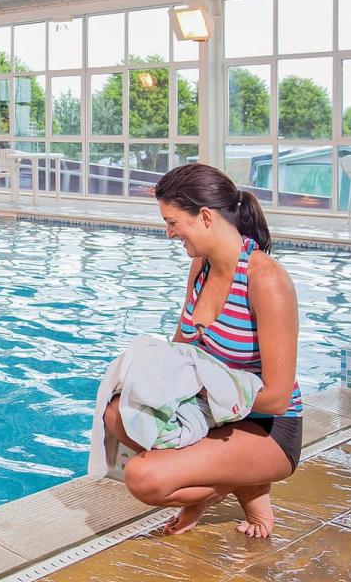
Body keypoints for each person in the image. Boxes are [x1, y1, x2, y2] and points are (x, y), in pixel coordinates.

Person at [103, 163, 303, 539]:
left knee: (143, 478)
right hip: (217, 414)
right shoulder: (202, 267)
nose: (169, 233)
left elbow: (276, 398)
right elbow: (182, 352)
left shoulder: (266, 280)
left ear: (206, 217)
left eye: (174, 221)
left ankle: (232, 488)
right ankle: (236, 477)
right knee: (117, 414)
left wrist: (203, 397)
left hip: (266, 427)